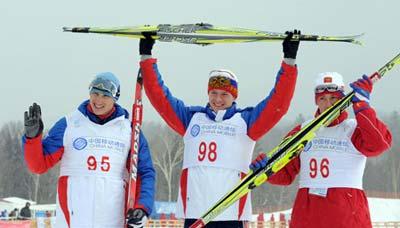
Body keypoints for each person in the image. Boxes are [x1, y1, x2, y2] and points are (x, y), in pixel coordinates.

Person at [138, 30, 301, 227]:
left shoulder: (247, 122)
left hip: (230, 214)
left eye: (224, 94)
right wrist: (146, 57)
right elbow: (160, 99)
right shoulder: (192, 119)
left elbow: (279, 103)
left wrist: (289, 61)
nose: (217, 99)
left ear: (234, 96)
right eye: (213, 93)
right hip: (195, 213)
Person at [250, 72, 392, 228]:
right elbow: (285, 174)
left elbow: (379, 144)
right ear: (316, 102)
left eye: (334, 98)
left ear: (342, 100)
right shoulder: (303, 131)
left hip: (346, 215)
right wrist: (265, 170)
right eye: (322, 99)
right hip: (308, 213)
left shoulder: (353, 128)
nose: (328, 104)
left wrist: (362, 105)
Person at [22, 72, 155, 228]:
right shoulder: (69, 124)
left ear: (115, 98)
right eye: (95, 93)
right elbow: (38, 165)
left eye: (105, 96)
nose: (98, 100)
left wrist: (143, 207)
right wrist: (32, 139)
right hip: (73, 218)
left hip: (113, 218)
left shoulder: (129, 130)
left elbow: (144, 172)